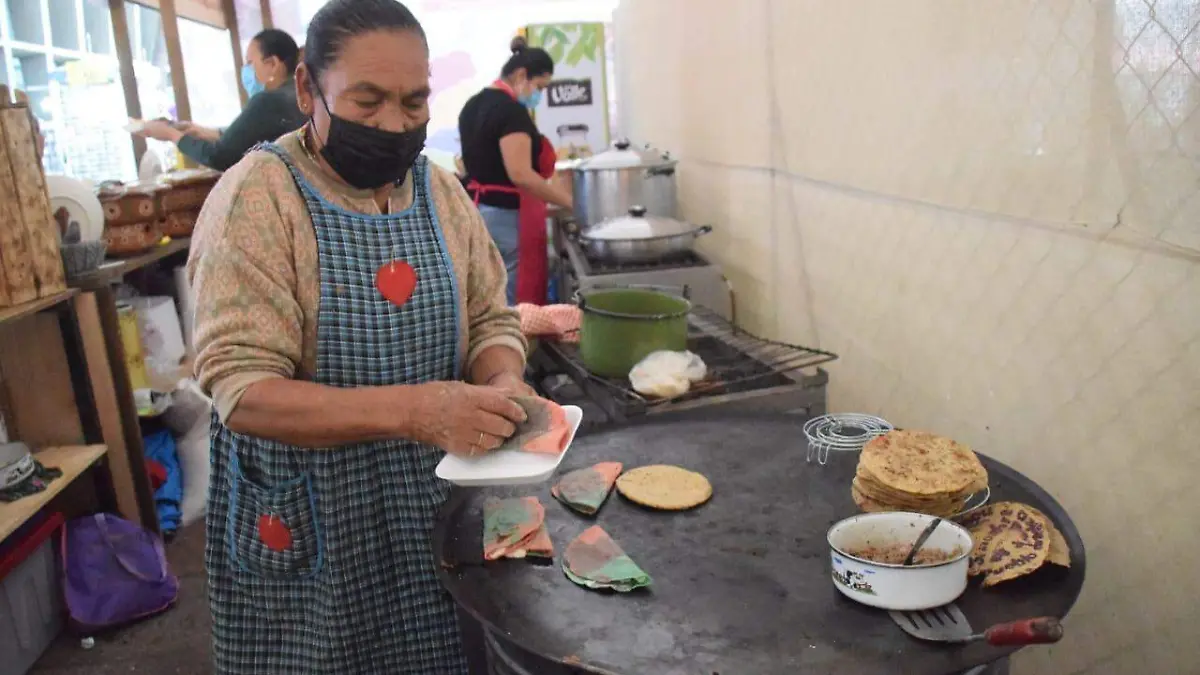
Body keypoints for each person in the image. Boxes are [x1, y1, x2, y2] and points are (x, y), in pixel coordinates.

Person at [187, 1, 536, 671]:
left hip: (430, 501)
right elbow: (243, 390)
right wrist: (417, 411)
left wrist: (502, 380)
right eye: (367, 101)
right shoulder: (258, 198)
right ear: (305, 90)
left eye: (413, 102)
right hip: (315, 517)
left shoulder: (438, 189)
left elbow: (491, 316)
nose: (394, 125)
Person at [458, 36, 572, 305]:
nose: (538, 96)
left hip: (477, 211)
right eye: (539, 87)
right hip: (507, 217)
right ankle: (517, 344)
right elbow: (520, 174)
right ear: (521, 75)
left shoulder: (472, 106)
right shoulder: (511, 113)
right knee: (513, 298)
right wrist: (571, 203)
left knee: (486, 290)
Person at [135, 29, 306, 171]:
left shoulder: (268, 101)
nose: (245, 71)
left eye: (249, 63)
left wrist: (171, 135)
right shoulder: (298, 95)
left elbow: (219, 157)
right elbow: (250, 134)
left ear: (272, 64)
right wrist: (202, 132)